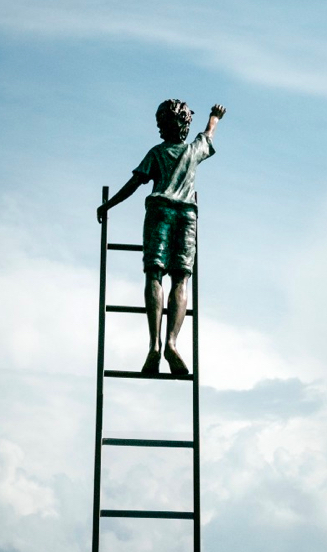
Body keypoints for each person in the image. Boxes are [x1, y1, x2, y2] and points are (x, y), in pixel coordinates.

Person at [97, 99, 226, 374]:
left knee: (154, 274)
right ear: (184, 125)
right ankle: (171, 342)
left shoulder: (156, 153)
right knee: (181, 279)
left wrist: (109, 205)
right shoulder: (193, 151)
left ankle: (154, 345)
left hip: (160, 213)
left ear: (166, 126)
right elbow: (208, 135)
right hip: (186, 215)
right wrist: (214, 117)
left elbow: (134, 183)